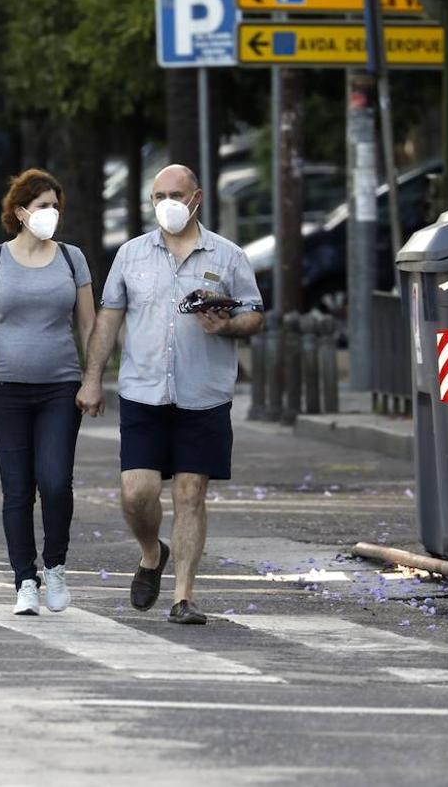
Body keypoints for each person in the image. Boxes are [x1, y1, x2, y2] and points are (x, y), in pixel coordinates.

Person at [77, 164, 264, 625]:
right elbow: (108, 321)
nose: (167, 204)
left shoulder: (228, 256)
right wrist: (93, 377)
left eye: (175, 195)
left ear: (196, 197)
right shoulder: (131, 255)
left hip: (204, 392)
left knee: (189, 493)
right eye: (158, 196)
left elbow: (255, 315)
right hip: (144, 390)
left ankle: (183, 597)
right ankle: (149, 552)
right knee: (136, 492)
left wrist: (228, 324)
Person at [0, 169, 96, 615]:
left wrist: (94, 377)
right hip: (4, 388)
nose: (51, 214)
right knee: (17, 488)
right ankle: (25, 578)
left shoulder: (72, 258)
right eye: (43, 206)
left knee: (56, 481)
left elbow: (89, 324)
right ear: (21, 212)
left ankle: (56, 565)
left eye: (55, 206)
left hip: (60, 386)